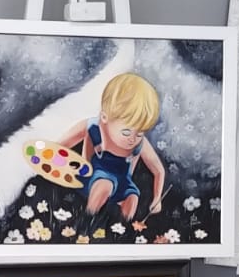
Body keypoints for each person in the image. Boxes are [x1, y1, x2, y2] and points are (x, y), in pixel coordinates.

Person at [57, 73, 166, 220]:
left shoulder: (140, 143)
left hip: (123, 181)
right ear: (104, 117)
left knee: (132, 197)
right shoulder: (93, 127)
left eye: (140, 133)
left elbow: (158, 170)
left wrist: (157, 198)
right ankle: (88, 220)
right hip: (93, 175)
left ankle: (121, 228)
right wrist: (62, 165)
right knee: (105, 185)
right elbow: (60, 145)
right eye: (126, 132)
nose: (133, 139)